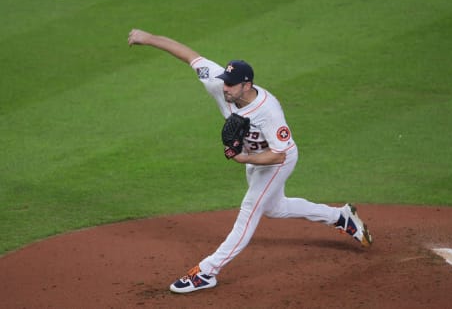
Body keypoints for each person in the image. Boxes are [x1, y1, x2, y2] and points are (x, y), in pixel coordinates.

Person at [127, 29, 373, 294]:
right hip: (255, 160)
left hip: (278, 160)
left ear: (247, 85)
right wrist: (148, 38)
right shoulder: (219, 85)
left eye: (231, 84)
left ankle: (207, 271)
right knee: (275, 208)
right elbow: (190, 57)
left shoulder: (269, 111)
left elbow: (279, 153)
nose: (224, 87)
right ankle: (341, 217)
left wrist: (244, 157)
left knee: (249, 210)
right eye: (224, 81)